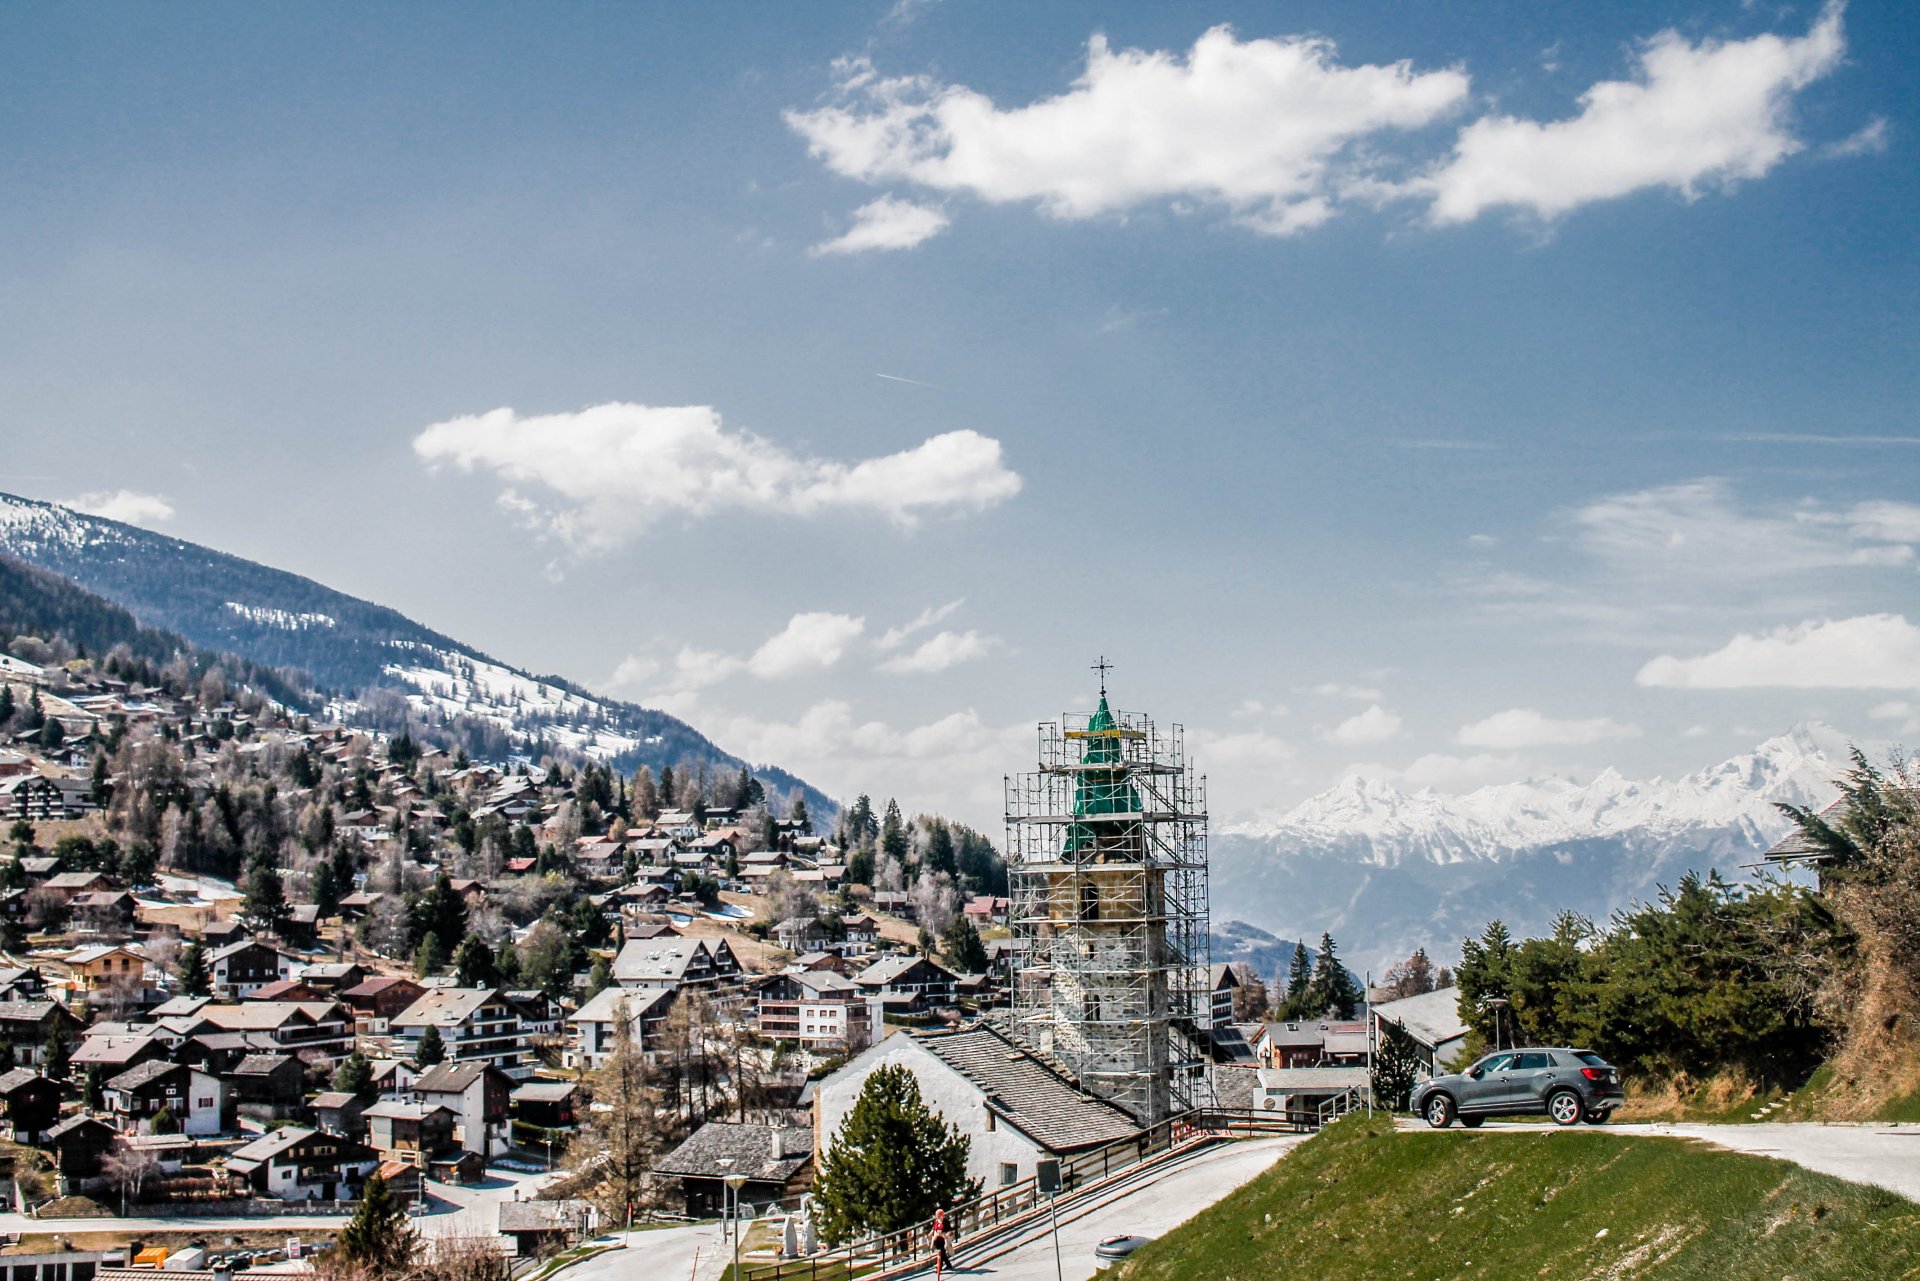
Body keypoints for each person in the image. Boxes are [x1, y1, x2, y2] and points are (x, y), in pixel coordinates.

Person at [931, 1207, 953, 1271]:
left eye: (938, 1216)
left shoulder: (945, 1221)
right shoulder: (936, 1221)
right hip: (937, 1240)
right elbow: (934, 1229)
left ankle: (939, 1268)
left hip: (943, 1239)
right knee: (942, 1253)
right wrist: (929, 1235)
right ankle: (948, 1265)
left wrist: (946, 1235)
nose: (937, 1217)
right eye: (937, 1216)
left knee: (941, 1253)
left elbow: (950, 1230)